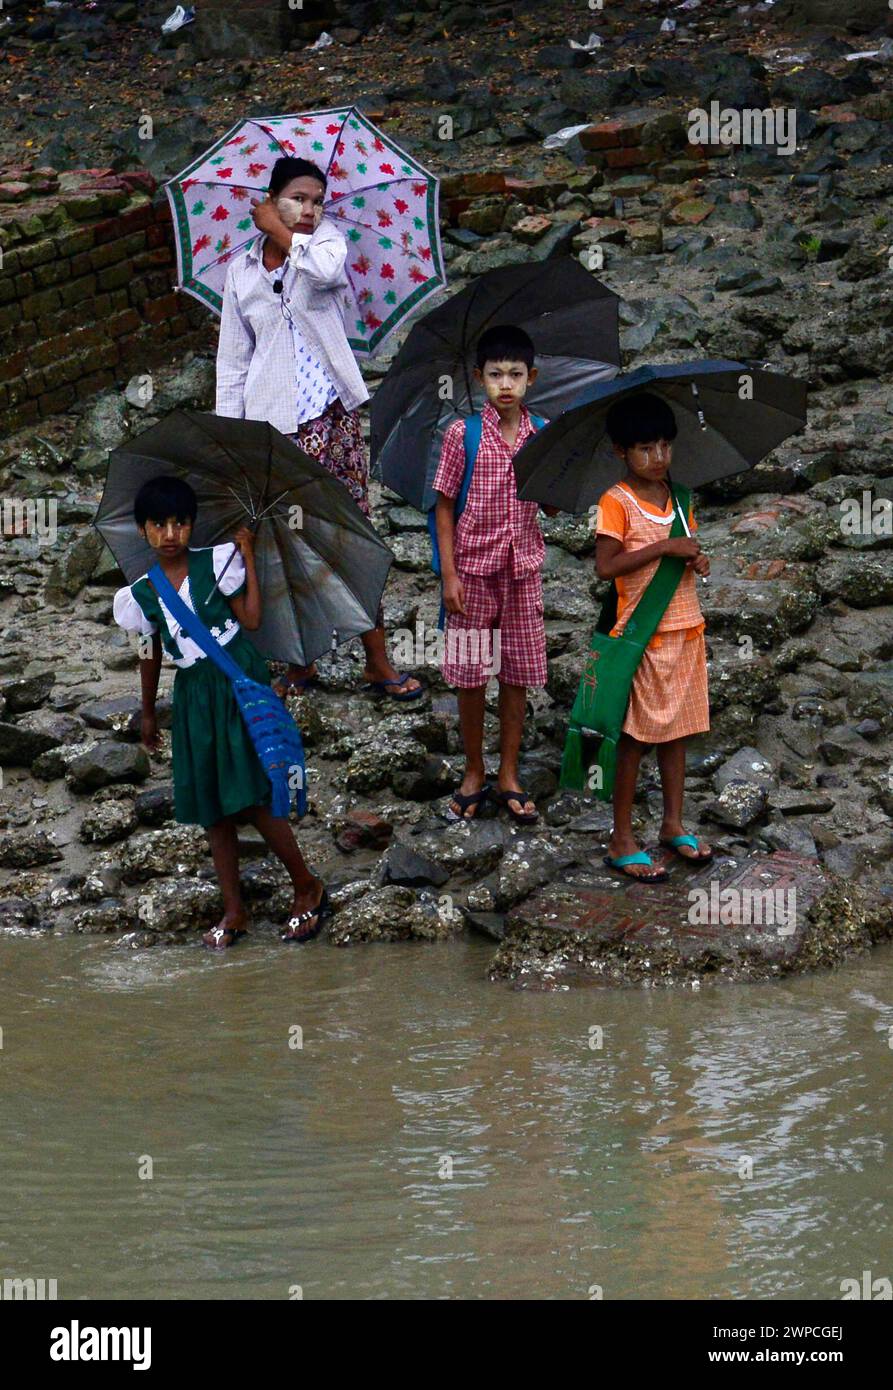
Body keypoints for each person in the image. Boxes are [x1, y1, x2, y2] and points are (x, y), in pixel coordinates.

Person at [215, 154, 422, 702]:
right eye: (297, 199)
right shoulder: (241, 270)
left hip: (331, 420)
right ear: (271, 196)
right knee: (282, 544)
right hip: (273, 428)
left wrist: (282, 230)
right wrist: (230, 439)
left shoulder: (326, 245)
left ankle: (377, 662)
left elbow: (325, 275)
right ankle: (299, 661)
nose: (309, 209)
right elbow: (233, 362)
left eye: (316, 200)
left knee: (348, 534)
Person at [112, 476, 330, 948]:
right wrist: (148, 712)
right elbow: (149, 653)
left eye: (180, 523)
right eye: (159, 525)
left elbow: (250, 620)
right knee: (213, 809)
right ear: (143, 530)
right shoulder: (141, 594)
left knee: (252, 795)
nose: (170, 533)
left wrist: (248, 555)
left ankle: (306, 884)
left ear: (192, 526)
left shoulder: (218, 562)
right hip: (192, 694)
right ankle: (234, 911)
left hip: (236, 681)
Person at [434, 324, 556, 824]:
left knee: (517, 675)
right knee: (469, 678)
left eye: (515, 375)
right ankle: (473, 769)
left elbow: (550, 503)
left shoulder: (542, 434)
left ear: (531, 377)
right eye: (494, 375)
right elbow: (443, 507)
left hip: (522, 573)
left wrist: (556, 479)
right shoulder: (462, 434)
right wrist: (449, 575)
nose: (505, 384)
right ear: (478, 377)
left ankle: (508, 772)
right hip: (472, 573)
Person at [595, 393, 713, 881]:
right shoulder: (615, 502)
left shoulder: (680, 499)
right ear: (622, 451)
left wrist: (696, 559)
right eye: (645, 448)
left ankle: (672, 824)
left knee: (678, 732)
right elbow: (606, 567)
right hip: (642, 636)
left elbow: (684, 553)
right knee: (635, 737)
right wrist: (665, 547)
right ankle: (622, 837)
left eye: (666, 445)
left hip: (686, 628)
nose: (659, 457)